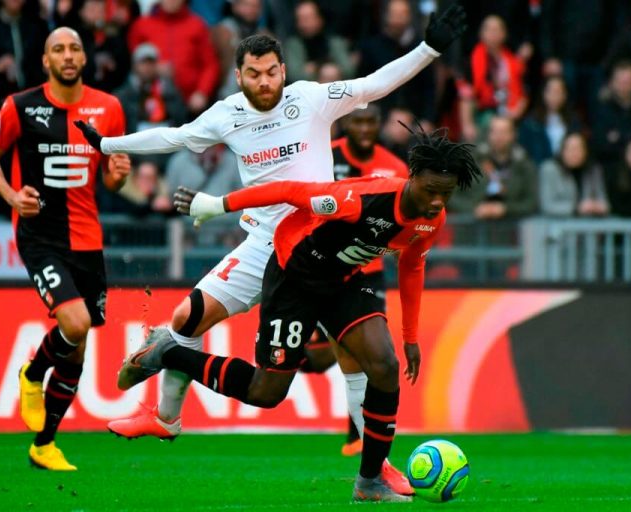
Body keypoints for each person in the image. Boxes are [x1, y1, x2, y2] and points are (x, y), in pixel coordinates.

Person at [75, 4, 466, 494]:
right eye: (254, 74)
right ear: (238, 76)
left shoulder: (312, 99)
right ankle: (166, 418)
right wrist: (109, 146)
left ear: (285, 70)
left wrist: (428, 48)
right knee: (187, 318)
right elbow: (172, 137)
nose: (265, 82)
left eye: (272, 72)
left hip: (331, 231)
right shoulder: (226, 115)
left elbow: (375, 84)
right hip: (269, 241)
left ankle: (377, 468)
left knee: (363, 358)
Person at [122, 128, 480, 502]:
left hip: (341, 281)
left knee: (385, 366)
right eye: (430, 191)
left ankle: (370, 481)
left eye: (446, 193)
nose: (437, 201)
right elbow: (290, 192)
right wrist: (219, 205)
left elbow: (411, 268)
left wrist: (410, 338)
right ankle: (168, 351)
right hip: (293, 278)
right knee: (266, 392)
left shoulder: (430, 219)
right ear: (412, 179)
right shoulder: (359, 199)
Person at [0, 27, 131, 471]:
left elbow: (111, 177)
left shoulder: (110, 108)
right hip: (40, 236)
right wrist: (11, 197)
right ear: (45, 61)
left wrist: (118, 176)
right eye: (59, 49)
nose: (68, 55)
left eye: (75, 48)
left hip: (88, 238)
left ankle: (44, 444)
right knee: (76, 322)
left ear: (85, 58)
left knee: (76, 349)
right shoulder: (19, 106)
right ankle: (30, 372)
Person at [306, 104, 409, 457]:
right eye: (358, 121)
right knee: (320, 359)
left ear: (378, 125)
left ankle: (356, 437)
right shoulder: (325, 157)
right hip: (321, 269)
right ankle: (278, 364)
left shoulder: (395, 167)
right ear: (347, 123)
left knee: (369, 355)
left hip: (368, 274)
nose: (365, 128)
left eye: (370, 122)